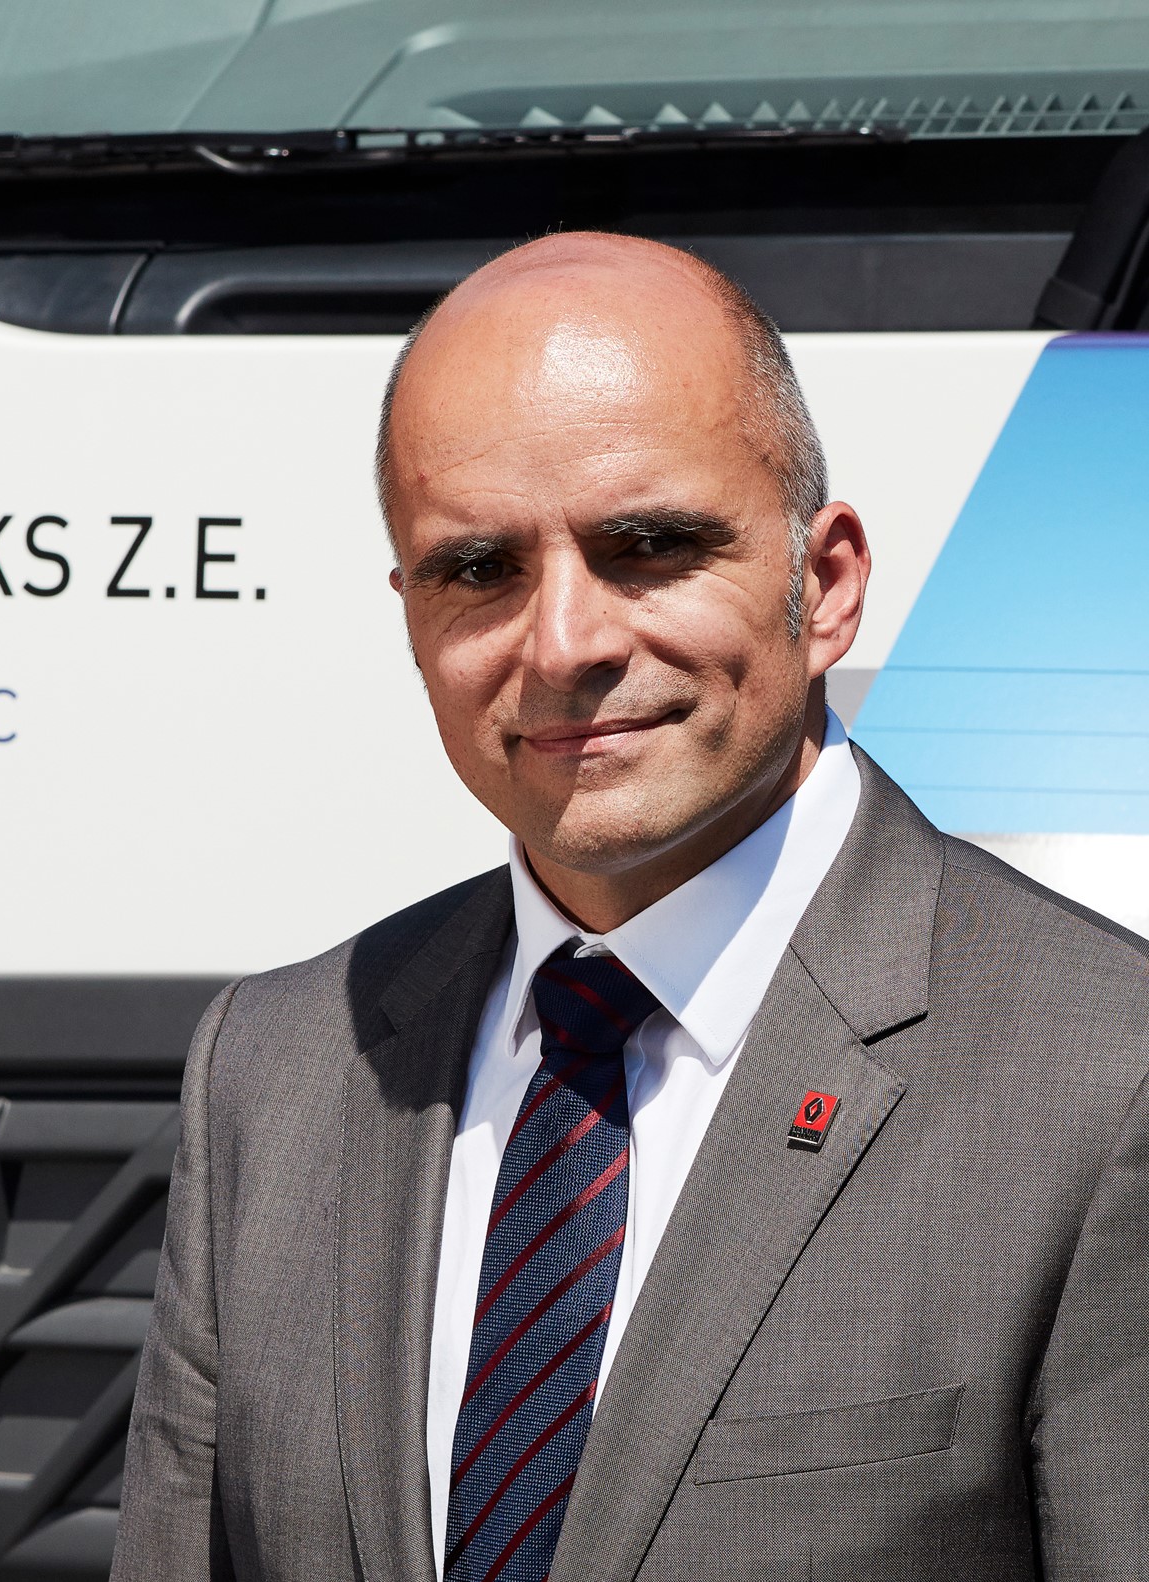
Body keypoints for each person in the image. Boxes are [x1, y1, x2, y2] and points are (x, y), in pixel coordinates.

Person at [109, 233, 1149, 1582]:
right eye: (479, 569)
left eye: (648, 546)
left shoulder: (1105, 1080)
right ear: (411, 617)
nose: (565, 644)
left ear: (827, 585)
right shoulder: (279, 1069)